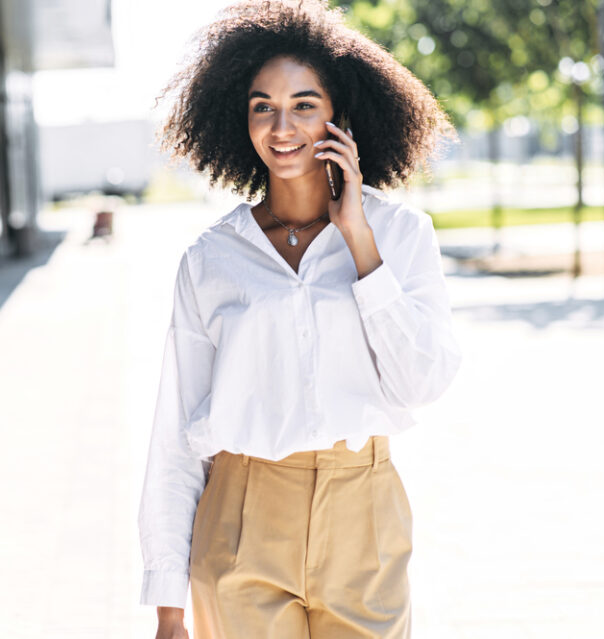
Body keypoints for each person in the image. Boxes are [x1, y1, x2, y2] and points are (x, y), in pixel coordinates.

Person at [137, 1, 461, 637]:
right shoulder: (211, 259)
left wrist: (360, 242)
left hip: (363, 511)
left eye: (304, 105)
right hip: (241, 516)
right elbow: (176, 430)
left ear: (341, 115)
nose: (282, 127)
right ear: (242, 117)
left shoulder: (399, 234)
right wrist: (167, 602)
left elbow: (422, 382)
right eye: (263, 106)